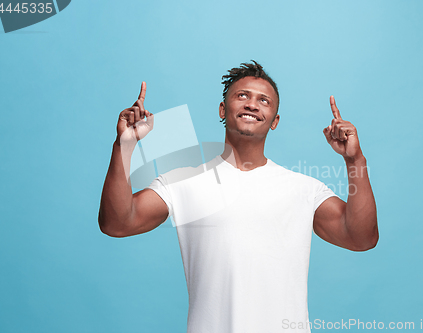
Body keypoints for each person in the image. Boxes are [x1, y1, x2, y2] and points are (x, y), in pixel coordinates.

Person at [98, 61, 378, 333]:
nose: (252, 105)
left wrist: (355, 160)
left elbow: (361, 237)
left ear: (275, 121)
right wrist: (123, 147)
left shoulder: (303, 189)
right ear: (223, 109)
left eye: (264, 101)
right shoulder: (182, 182)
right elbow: (117, 223)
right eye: (242, 96)